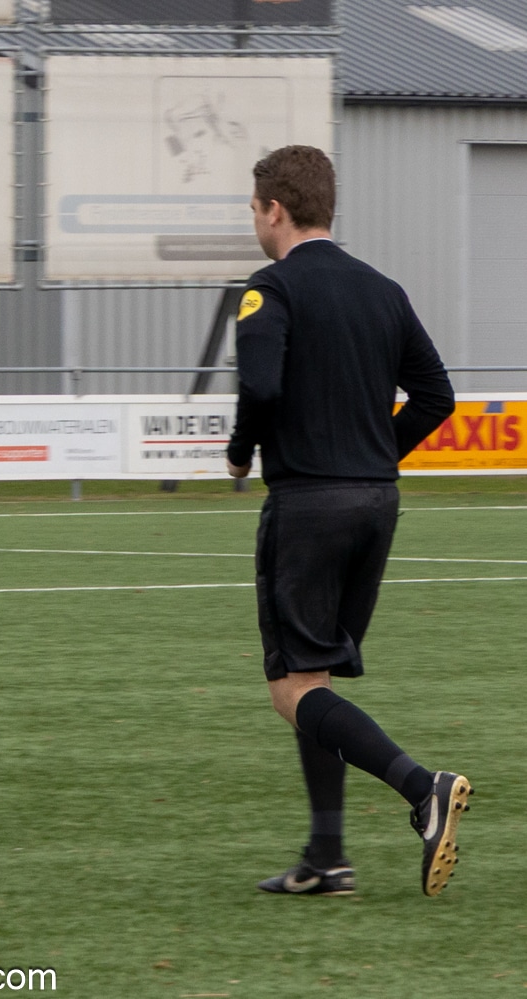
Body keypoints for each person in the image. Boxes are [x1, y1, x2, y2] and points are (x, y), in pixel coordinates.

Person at [226, 145, 470, 897]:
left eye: (254, 209)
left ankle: (422, 787)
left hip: (309, 504)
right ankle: (327, 857)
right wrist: (375, 451)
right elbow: (437, 396)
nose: (254, 222)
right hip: (375, 503)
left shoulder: (271, 288)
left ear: (275, 208)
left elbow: (260, 385)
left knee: (291, 689)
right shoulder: (383, 290)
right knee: (316, 680)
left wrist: (239, 453)